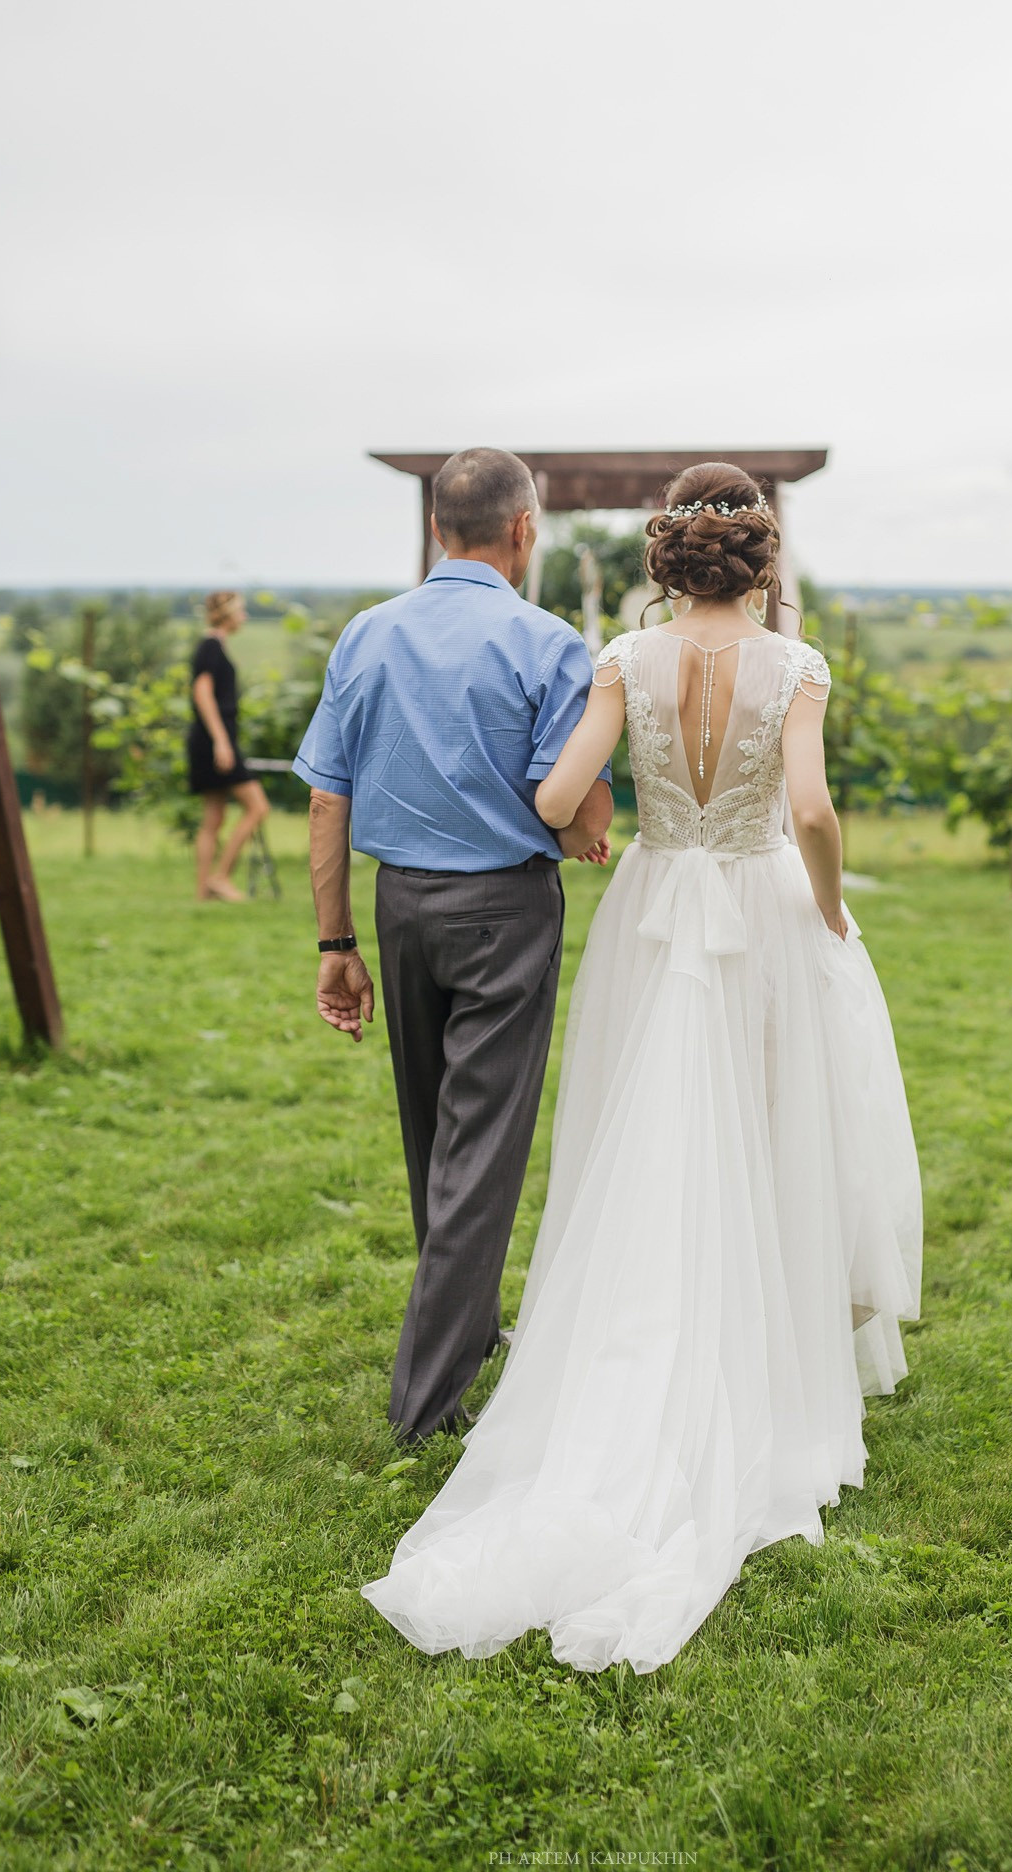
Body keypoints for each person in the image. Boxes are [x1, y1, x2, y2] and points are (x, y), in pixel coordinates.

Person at [360, 462, 922, 1675]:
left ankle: (646, 1329)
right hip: (763, 905)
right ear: (760, 561)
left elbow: (560, 789)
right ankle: (767, 1350)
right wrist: (824, 910)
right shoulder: (797, 666)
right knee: (777, 1122)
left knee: (650, 1125)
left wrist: (601, 826)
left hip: (659, 904)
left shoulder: (620, 657)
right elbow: (813, 813)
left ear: (667, 558)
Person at [293, 449, 613, 1445]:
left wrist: (334, 940)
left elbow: (324, 794)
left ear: (439, 529)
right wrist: (596, 810)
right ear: (523, 530)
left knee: (435, 1141)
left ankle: (464, 1337)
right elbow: (568, 817)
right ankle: (423, 1411)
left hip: (396, 909)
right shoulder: (548, 644)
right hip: (503, 915)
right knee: (477, 1156)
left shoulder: (365, 633)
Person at [187, 590, 270, 903]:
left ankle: (203, 893)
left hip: (210, 740)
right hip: (215, 741)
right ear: (228, 614)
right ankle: (220, 877)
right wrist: (221, 742)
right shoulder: (210, 647)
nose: (244, 617)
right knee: (258, 807)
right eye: (241, 611)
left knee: (213, 818)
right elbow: (202, 694)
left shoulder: (213, 646)